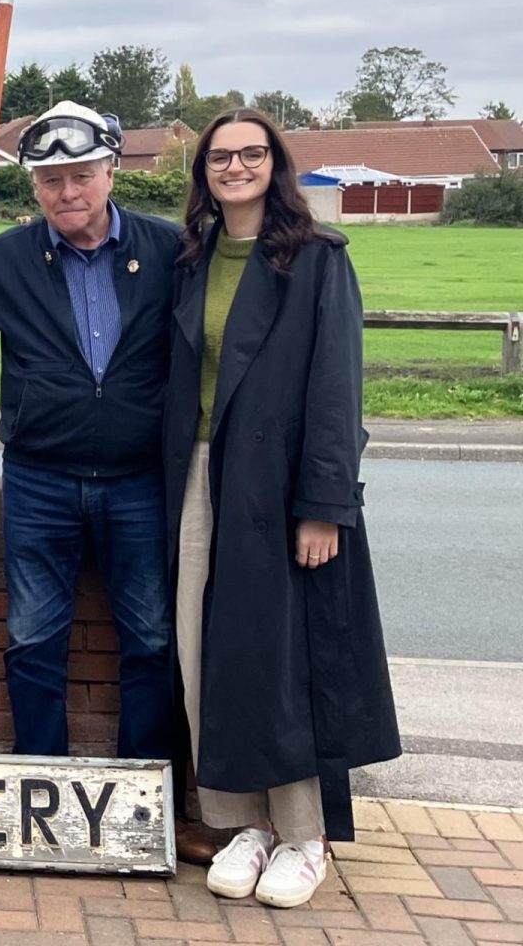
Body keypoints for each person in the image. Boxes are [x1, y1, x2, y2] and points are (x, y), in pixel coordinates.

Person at [165, 108, 400, 908]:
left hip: (279, 482)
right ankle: (243, 823)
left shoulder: (317, 258)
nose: (235, 167)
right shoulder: (191, 259)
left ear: (275, 164)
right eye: (219, 157)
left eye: (251, 154)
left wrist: (325, 505)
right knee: (204, 651)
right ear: (203, 173)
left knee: (281, 657)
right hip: (198, 474)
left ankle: (304, 834)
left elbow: (336, 388)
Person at [0, 101, 181, 765]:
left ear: (111, 173)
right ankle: (41, 781)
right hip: (41, 482)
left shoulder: (170, 251)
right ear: (34, 186)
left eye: (82, 175)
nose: (68, 192)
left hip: (141, 480)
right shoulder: (4, 261)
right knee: (33, 639)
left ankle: (146, 788)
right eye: (51, 180)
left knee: (152, 640)